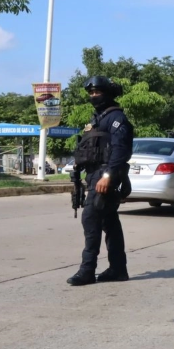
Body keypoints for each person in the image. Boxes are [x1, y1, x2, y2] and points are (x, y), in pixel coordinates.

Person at [67, 76, 134, 286]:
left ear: (108, 93)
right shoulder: (98, 118)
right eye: (91, 93)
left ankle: (87, 270)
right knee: (109, 223)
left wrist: (108, 176)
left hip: (105, 176)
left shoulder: (116, 118)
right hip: (94, 175)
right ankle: (118, 269)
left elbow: (120, 150)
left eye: (97, 92)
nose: (93, 96)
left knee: (91, 219)